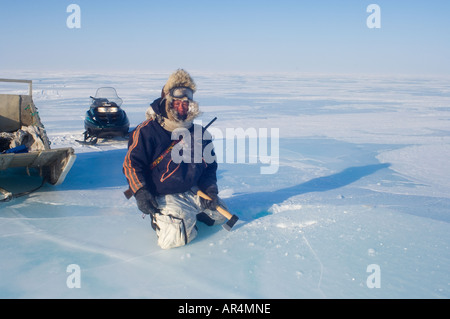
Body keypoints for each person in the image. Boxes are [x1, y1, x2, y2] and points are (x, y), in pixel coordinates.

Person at [123, 69, 227, 249]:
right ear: (167, 101)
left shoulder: (199, 133)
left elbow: (210, 166)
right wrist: (141, 192)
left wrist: (210, 191)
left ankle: (192, 214)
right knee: (173, 240)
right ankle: (160, 218)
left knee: (221, 217)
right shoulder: (147, 131)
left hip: (194, 191)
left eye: (186, 103)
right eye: (177, 102)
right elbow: (132, 164)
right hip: (164, 193)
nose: (181, 108)